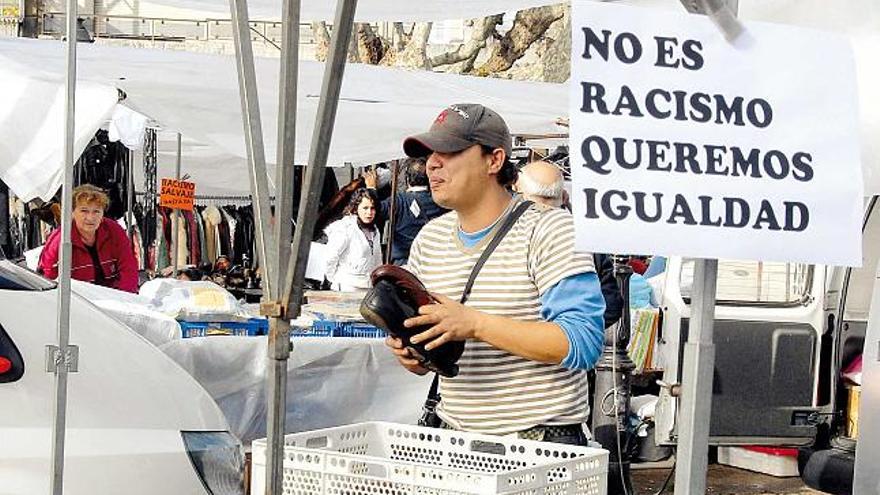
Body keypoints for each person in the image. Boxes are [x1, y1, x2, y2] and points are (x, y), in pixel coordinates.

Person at [386, 103, 606, 444]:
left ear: (495, 160)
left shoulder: (549, 229)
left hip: (540, 444)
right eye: (429, 153)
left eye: (450, 150)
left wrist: (475, 324)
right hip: (454, 440)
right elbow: (434, 347)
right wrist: (414, 355)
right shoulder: (429, 239)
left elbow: (581, 342)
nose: (432, 163)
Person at [517, 160, 624, 329]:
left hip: (518, 345)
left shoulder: (511, 236)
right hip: (565, 348)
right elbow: (611, 306)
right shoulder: (587, 242)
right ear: (565, 197)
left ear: (519, 194)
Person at [38, 184, 138, 293]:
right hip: (77, 300)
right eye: (84, 211)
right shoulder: (60, 239)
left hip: (113, 296)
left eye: (96, 211)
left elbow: (129, 269)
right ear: (72, 213)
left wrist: (124, 298)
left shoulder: (114, 231)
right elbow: (48, 279)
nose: (90, 218)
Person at [364, 158, 448, 265]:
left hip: (402, 264)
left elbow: (375, 211)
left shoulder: (398, 201)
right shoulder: (439, 201)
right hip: (431, 261)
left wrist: (371, 188)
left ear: (407, 179)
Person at [323, 188, 383, 291]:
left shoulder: (375, 230)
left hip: (368, 287)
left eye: (372, 208)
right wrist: (334, 280)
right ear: (356, 208)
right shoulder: (345, 228)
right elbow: (330, 257)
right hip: (347, 287)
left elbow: (377, 259)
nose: (369, 212)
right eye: (365, 208)